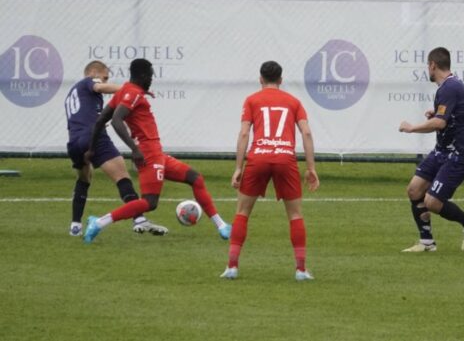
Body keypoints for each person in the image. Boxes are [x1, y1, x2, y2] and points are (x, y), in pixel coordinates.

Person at [82, 58, 231, 243]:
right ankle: (99, 223)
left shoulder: (126, 92)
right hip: (148, 153)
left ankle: (222, 225)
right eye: (150, 76)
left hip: (155, 153)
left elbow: (100, 120)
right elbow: (116, 121)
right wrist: (134, 149)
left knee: (196, 178)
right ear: (143, 75)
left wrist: (91, 149)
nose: (152, 79)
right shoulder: (132, 93)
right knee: (150, 202)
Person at [220, 61, 319, 281]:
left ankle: (232, 267)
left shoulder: (252, 100)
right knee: (295, 214)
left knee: (242, 212)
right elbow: (307, 133)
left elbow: (244, 134)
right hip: (285, 158)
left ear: (260, 79)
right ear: (281, 80)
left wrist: (238, 167)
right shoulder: (294, 102)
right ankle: (301, 270)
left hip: (258, 158)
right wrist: (310, 168)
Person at [64, 60, 167, 237]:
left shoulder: (72, 92)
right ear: (94, 72)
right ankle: (139, 219)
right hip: (92, 136)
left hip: (74, 140)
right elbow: (99, 88)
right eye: (105, 77)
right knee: (122, 177)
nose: (104, 81)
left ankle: (75, 226)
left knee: (84, 178)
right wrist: (129, 90)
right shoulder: (89, 81)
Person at [399, 47, 464, 253]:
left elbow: (440, 124)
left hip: (458, 155)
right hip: (442, 151)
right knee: (414, 189)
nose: (428, 69)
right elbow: (450, 114)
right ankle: (426, 242)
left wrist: (412, 128)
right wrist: (436, 112)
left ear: (433, 65)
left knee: (433, 202)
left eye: (428, 66)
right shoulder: (449, 86)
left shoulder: (450, 87)